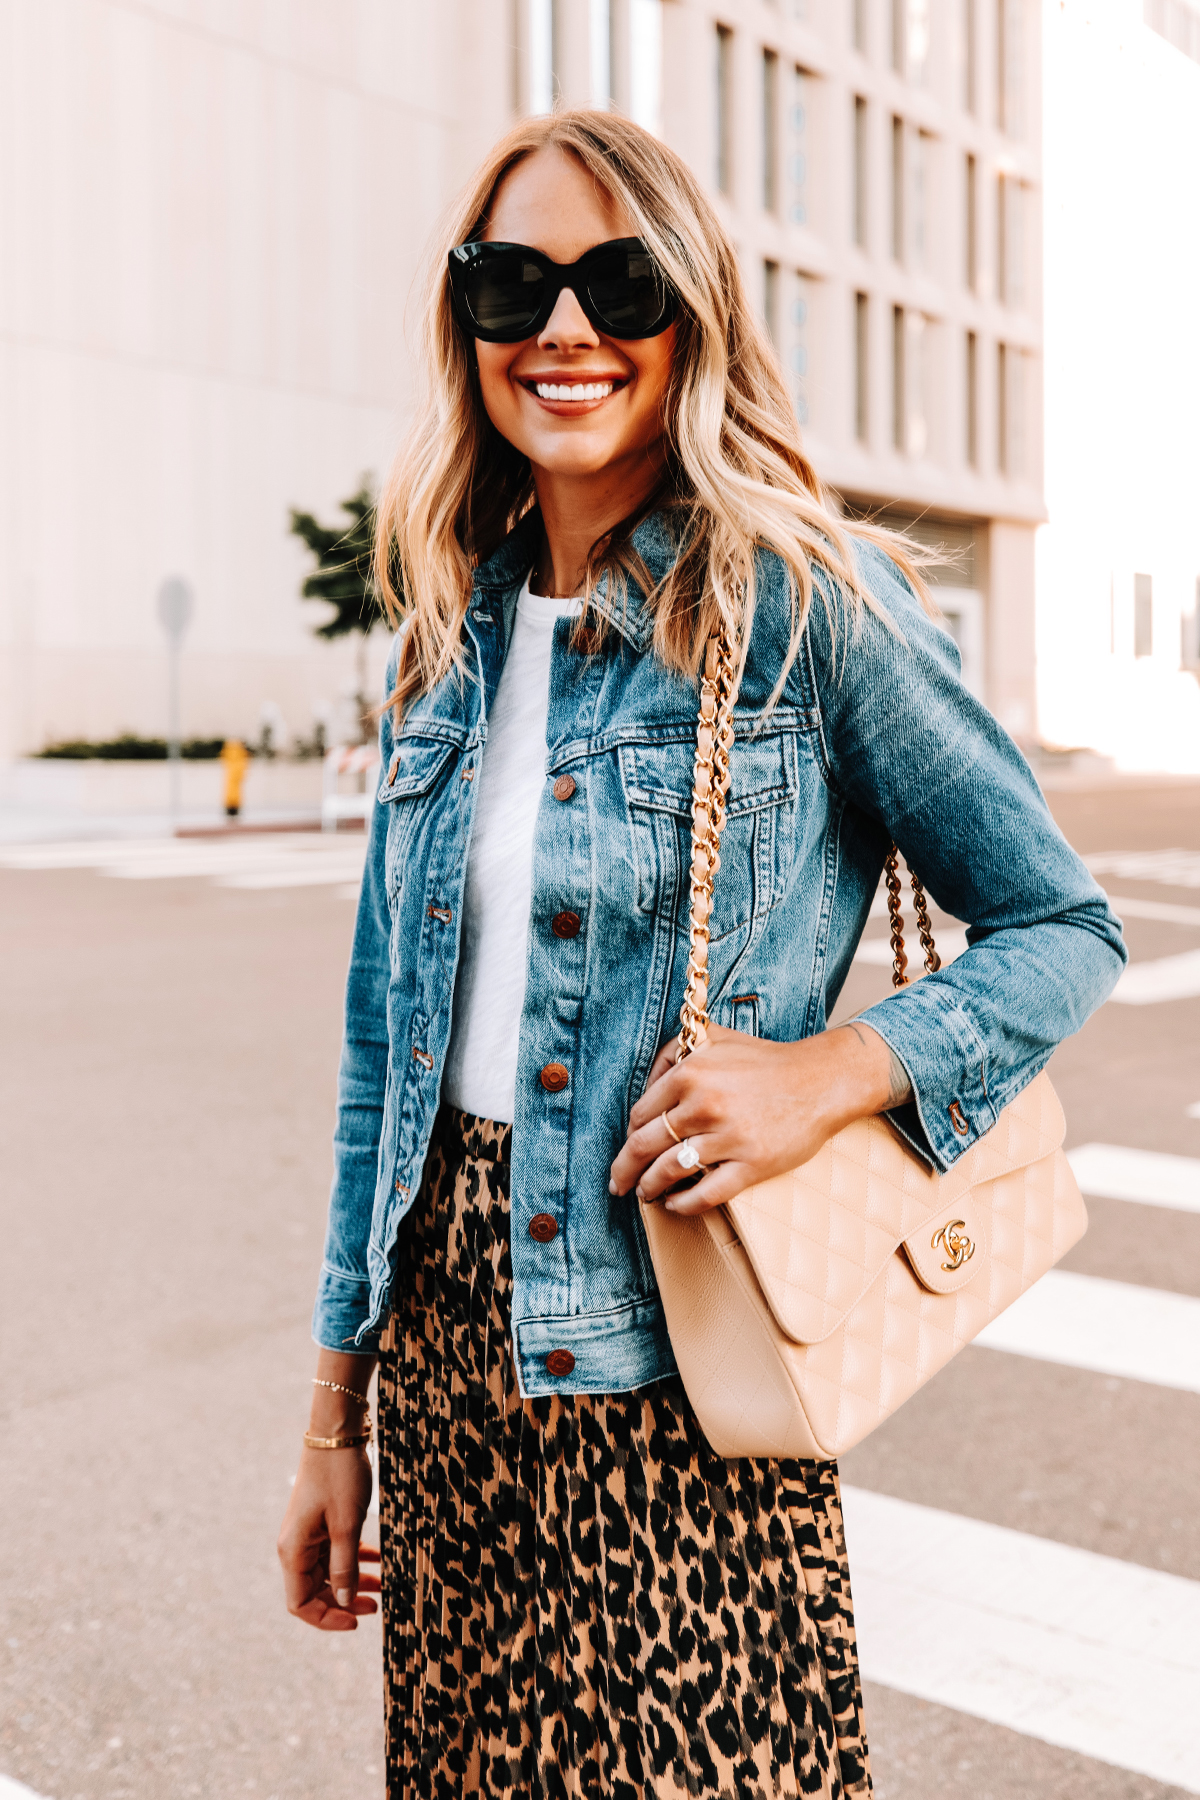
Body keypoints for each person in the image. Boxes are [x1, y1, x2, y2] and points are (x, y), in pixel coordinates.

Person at [277, 110, 1125, 1798]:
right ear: (469, 324)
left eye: (618, 283)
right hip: (450, 1379)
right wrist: (332, 1414)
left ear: (696, 312)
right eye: (514, 284)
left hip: (684, 1373)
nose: (565, 331)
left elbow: (1062, 927)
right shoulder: (443, 632)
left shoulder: (809, 603)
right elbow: (386, 1054)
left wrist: (836, 1074)